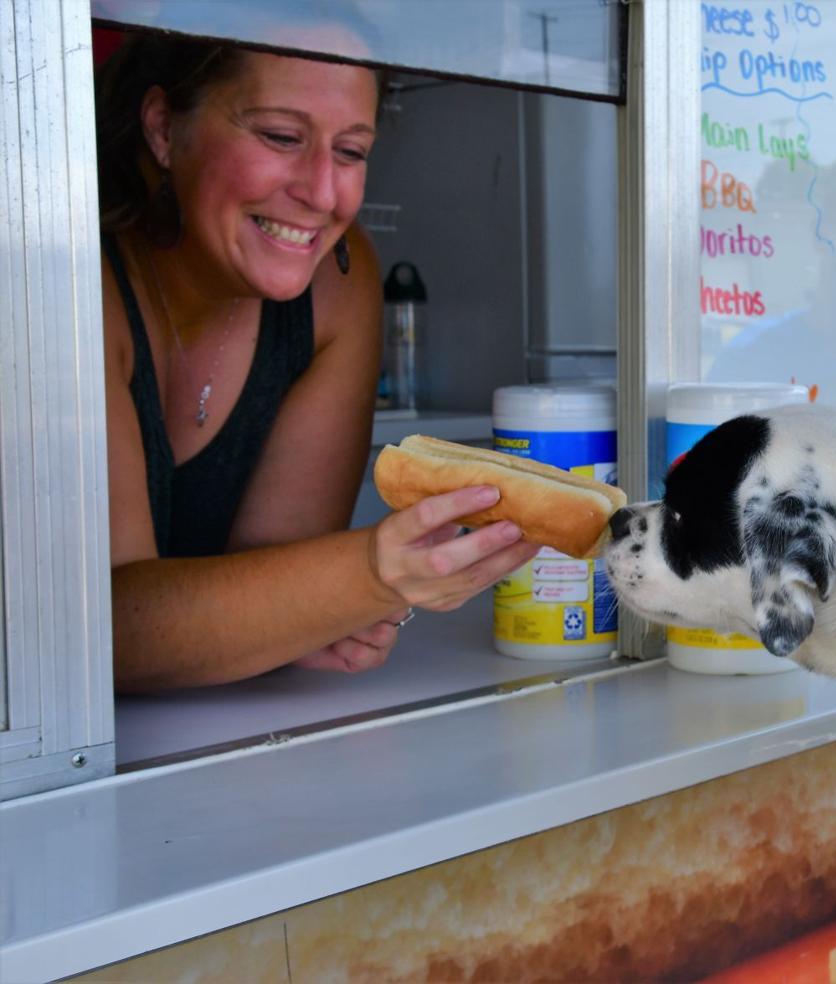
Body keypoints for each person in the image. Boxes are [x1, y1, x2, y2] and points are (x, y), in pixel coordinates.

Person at [97, 35, 539, 691]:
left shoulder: (335, 281)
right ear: (164, 128)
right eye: (281, 136)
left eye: (352, 151)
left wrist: (315, 603)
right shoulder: (71, 282)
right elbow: (103, 631)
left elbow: (277, 570)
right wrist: (363, 575)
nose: (322, 193)